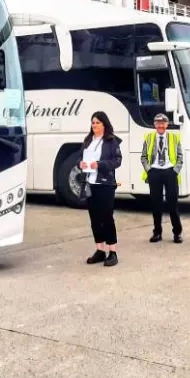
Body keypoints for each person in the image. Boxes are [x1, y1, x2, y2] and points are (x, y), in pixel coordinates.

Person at [79, 111, 122, 267]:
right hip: (90, 183)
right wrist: (81, 164)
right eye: (93, 123)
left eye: (97, 122)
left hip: (105, 184)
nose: (94, 125)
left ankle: (113, 251)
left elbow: (117, 160)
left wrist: (100, 164)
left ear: (104, 124)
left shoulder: (111, 141)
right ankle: (100, 250)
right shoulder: (88, 140)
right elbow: (81, 158)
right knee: (94, 218)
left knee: (107, 217)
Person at [141, 113, 184, 244]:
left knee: (173, 204)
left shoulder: (174, 137)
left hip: (170, 173)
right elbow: (143, 157)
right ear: (154, 124)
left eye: (162, 123)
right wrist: (149, 170)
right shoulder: (148, 137)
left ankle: (177, 233)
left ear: (166, 124)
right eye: (157, 123)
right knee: (156, 204)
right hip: (155, 173)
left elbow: (180, 156)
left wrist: (175, 171)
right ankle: (157, 232)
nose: (160, 125)